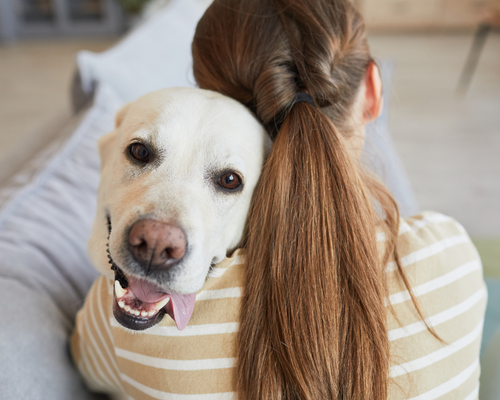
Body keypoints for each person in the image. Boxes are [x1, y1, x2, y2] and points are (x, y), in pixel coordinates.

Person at [71, 0, 486, 399]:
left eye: (229, 180)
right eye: (142, 154)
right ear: (374, 90)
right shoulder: (453, 256)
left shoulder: (121, 326)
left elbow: (87, 369)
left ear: (213, 92)